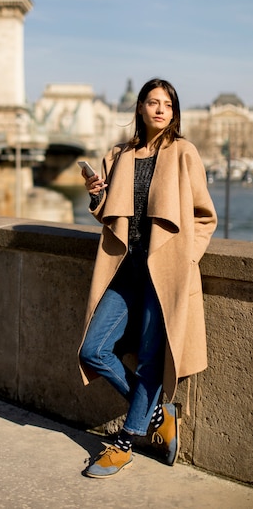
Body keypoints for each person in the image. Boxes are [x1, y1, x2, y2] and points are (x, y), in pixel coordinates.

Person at [78, 78, 217, 478]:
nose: (160, 109)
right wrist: (94, 194)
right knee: (92, 350)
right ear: (139, 108)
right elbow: (108, 212)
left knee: (153, 359)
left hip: (166, 272)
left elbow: (205, 217)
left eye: (167, 104)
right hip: (125, 269)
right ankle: (159, 412)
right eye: (152, 102)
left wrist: (186, 258)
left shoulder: (183, 153)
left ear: (174, 112)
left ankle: (125, 442)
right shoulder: (119, 155)